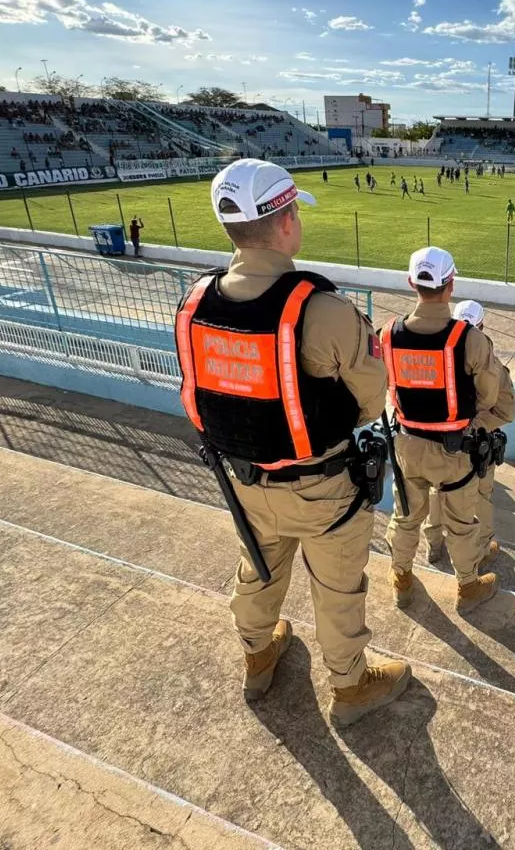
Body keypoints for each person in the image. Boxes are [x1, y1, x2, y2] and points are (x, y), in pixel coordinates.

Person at [173, 159, 409, 726]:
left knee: (257, 569)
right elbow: (370, 402)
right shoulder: (324, 310)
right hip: (322, 487)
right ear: (284, 223)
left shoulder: (195, 300)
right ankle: (350, 687)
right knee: (337, 590)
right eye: (295, 212)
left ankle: (257, 656)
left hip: (243, 480)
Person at [380, 247, 503, 615]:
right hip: (454, 451)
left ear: (411, 283)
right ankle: (467, 586)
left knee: (406, 517)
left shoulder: (388, 333)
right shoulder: (470, 338)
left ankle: (401, 578)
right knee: (462, 524)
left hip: (407, 445)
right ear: (451, 284)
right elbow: (489, 396)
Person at [423, 299, 515, 565]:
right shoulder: (493, 365)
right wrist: (471, 427)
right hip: (476, 446)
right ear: (481, 327)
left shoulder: (433, 357)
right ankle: (481, 550)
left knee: (437, 492)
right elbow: (506, 411)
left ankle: (434, 545)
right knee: (480, 498)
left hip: (438, 443)